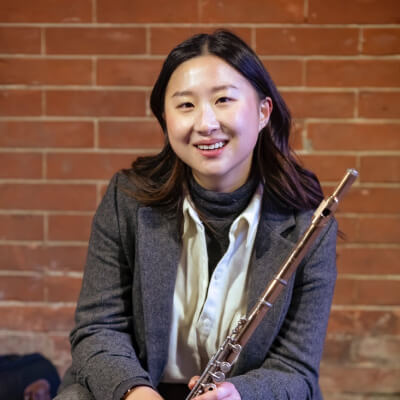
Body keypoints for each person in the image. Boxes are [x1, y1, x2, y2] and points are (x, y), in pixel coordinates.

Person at [55, 30, 337, 400]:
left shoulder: (309, 224)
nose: (205, 123)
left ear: (263, 112)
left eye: (223, 100)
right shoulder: (127, 198)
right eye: (186, 105)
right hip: (134, 389)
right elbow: (97, 329)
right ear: (165, 118)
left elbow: (295, 369)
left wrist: (238, 394)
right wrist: (135, 392)